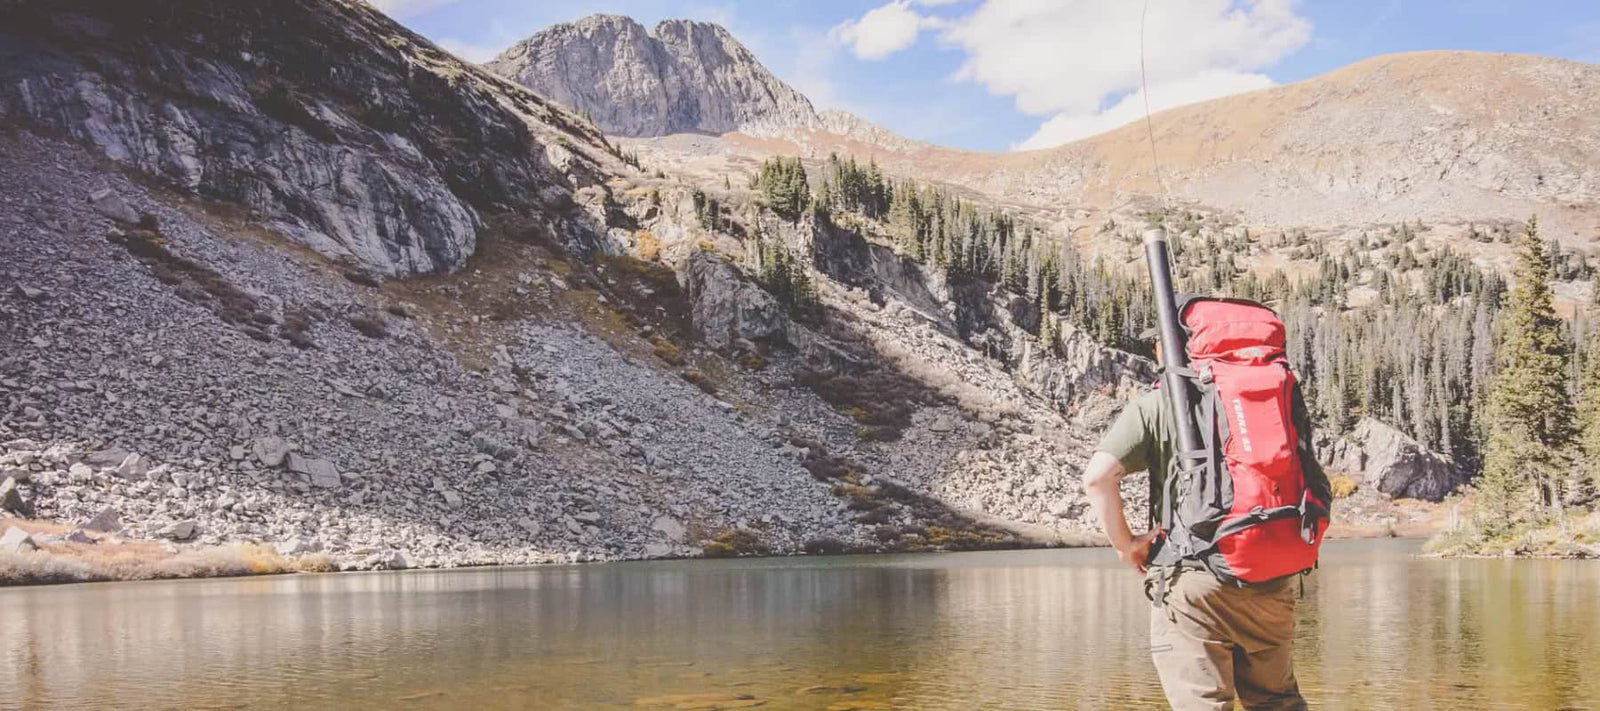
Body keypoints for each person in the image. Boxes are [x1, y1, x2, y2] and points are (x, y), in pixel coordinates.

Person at [1082, 334, 1324, 711]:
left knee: (1203, 704)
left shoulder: (1157, 405)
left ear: (1163, 349)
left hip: (1191, 580)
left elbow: (1097, 478)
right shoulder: (1262, 400)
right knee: (1279, 702)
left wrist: (1126, 545)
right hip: (1270, 577)